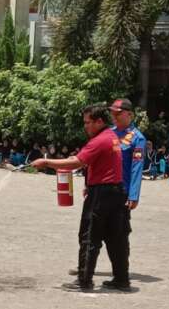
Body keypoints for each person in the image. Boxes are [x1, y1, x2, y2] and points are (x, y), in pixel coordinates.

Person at [31, 104, 130, 292]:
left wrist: (45, 162)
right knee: (116, 238)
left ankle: (84, 280)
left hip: (101, 194)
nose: (85, 126)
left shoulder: (99, 140)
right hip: (116, 193)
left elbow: (76, 162)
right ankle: (121, 279)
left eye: (88, 123)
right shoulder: (111, 136)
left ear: (99, 121)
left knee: (89, 235)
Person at [109, 98, 145, 209]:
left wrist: (133, 196)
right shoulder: (108, 133)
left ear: (130, 114)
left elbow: (136, 168)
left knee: (118, 225)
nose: (114, 116)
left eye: (118, 113)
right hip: (102, 188)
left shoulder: (137, 139)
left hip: (121, 190)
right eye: (112, 112)